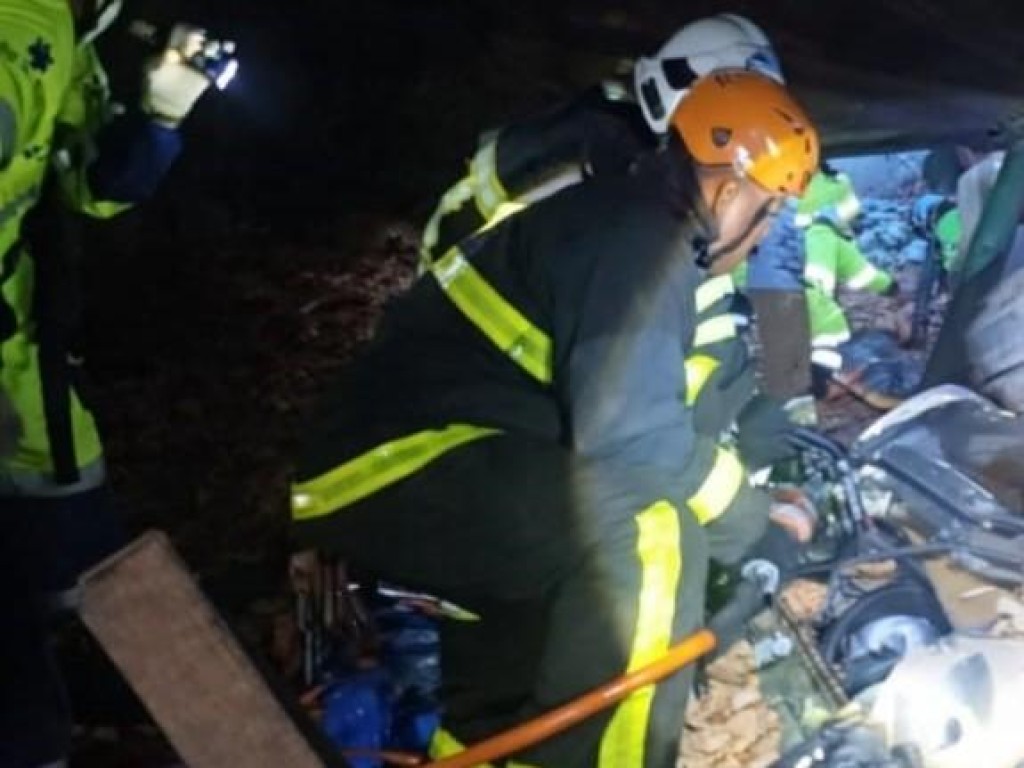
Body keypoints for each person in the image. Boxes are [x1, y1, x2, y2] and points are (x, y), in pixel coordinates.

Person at [291, 71, 819, 767]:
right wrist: (755, 523)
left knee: (518, 680)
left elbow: (653, 414)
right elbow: (633, 436)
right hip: (407, 464)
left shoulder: (618, 223)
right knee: (648, 531)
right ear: (727, 193)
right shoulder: (639, 241)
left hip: (430, 465)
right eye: (770, 210)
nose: (766, 232)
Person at [0, 2, 224, 765]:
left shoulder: (64, 27)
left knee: (80, 554)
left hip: (19, 354)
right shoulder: (19, 27)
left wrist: (160, 114)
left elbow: (91, 185)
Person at [419, 14, 784, 434]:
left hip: (466, 335)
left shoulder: (592, 137)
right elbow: (661, 291)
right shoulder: (624, 163)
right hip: (487, 376)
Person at [793, 167, 900, 398]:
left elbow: (859, 272)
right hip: (806, 295)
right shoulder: (822, 235)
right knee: (830, 334)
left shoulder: (792, 228)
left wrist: (887, 285)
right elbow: (855, 274)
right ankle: (822, 386)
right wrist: (892, 288)